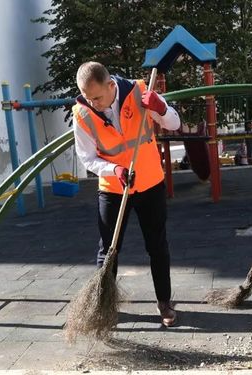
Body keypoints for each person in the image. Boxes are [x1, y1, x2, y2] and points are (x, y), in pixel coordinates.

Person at [73, 62, 181, 327]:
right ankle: (102, 305)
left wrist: (161, 108)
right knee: (109, 250)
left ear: (111, 85)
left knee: (157, 246)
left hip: (150, 184)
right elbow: (86, 158)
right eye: (88, 97)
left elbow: (174, 123)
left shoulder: (141, 91)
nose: (93, 103)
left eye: (97, 97)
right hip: (113, 188)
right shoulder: (83, 114)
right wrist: (113, 169)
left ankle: (164, 303)